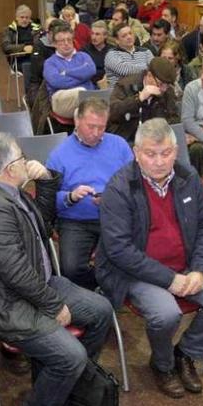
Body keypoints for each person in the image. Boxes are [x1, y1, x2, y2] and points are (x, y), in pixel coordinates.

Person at [0, 133, 113, 406]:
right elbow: (13, 272)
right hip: (7, 303)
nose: (26, 162)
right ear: (8, 169)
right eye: (21, 158)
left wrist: (46, 183)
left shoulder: (9, 192)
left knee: (102, 311)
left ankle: (62, 386)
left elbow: (42, 225)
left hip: (39, 286)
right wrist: (54, 304)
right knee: (71, 355)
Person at [96, 118, 203, 398]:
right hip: (136, 273)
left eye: (166, 153)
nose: (159, 161)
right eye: (150, 154)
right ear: (136, 152)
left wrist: (199, 269)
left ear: (176, 151)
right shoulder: (119, 188)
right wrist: (169, 279)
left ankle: (184, 354)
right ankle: (162, 365)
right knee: (166, 314)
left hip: (185, 267)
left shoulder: (187, 178)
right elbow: (119, 250)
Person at [46, 97, 132, 289]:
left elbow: (136, 184)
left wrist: (115, 197)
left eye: (101, 127)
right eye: (91, 126)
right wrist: (71, 196)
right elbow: (48, 198)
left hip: (115, 216)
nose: (96, 133)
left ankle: (109, 286)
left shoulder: (119, 145)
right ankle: (102, 287)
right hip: (75, 221)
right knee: (70, 268)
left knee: (126, 257)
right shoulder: (59, 154)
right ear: (77, 121)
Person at [108, 57, 180, 143]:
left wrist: (160, 125)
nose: (164, 89)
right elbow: (113, 113)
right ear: (149, 75)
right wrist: (138, 99)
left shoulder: (167, 91)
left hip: (154, 139)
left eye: (167, 85)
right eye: (160, 84)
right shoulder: (126, 85)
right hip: (127, 138)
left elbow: (174, 118)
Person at [44, 26, 96, 119]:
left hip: (87, 98)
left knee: (81, 112)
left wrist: (66, 73)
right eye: (62, 41)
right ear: (55, 44)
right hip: (61, 100)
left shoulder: (83, 56)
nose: (66, 43)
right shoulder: (50, 62)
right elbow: (56, 82)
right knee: (80, 92)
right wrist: (83, 78)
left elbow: (91, 70)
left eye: (69, 40)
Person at [105, 23, 154, 88]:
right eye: (124, 36)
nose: (129, 37)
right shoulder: (111, 55)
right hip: (119, 94)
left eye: (130, 33)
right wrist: (147, 68)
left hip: (144, 91)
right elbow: (126, 71)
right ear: (117, 40)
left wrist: (150, 69)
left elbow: (154, 70)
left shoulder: (146, 51)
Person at [2, 5, 40, 75]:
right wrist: (23, 48)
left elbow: (42, 43)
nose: (24, 20)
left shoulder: (36, 29)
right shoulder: (9, 30)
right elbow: (6, 47)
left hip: (36, 57)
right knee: (31, 67)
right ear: (17, 17)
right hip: (18, 60)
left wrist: (33, 48)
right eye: (22, 17)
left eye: (27, 17)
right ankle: (31, 86)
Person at [81, 20, 111, 88]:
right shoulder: (84, 50)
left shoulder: (112, 50)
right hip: (89, 83)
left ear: (105, 35)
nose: (94, 37)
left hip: (108, 82)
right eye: (92, 33)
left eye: (97, 34)